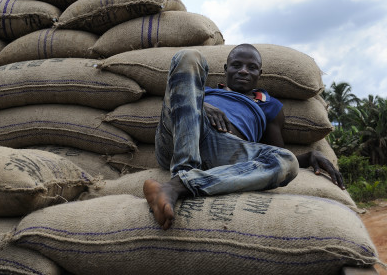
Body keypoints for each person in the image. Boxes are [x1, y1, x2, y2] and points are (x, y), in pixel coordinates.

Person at [143, 44, 345, 230]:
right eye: (237, 65)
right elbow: (174, 101)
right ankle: (183, 171)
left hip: (224, 150)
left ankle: (179, 185)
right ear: (226, 68)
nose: (243, 71)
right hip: (178, 138)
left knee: (287, 162)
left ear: (260, 74)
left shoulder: (268, 104)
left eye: (252, 67)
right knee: (188, 56)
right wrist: (201, 106)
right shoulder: (204, 90)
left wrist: (309, 157)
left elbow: (274, 152)